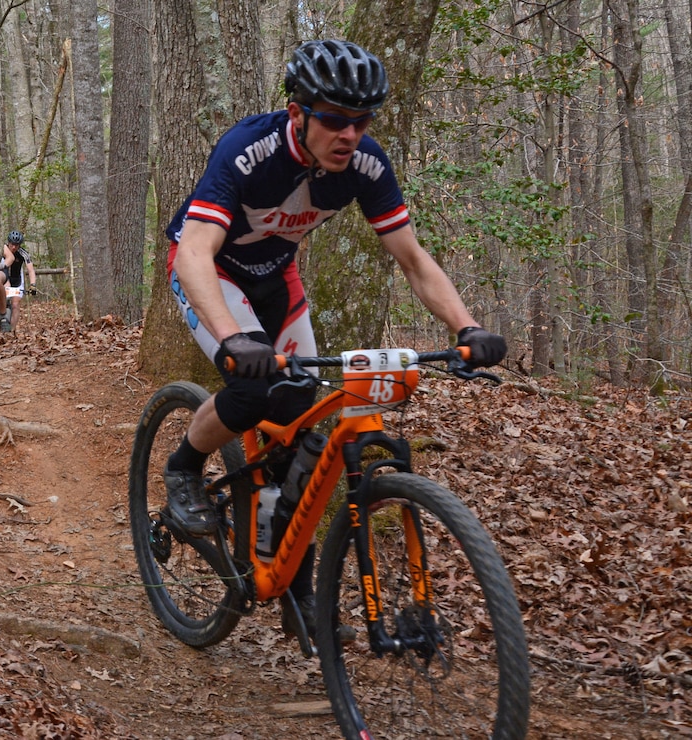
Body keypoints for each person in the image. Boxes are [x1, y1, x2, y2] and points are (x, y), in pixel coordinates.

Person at [163, 39, 508, 638]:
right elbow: (195, 251)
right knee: (251, 391)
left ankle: (294, 589)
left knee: (302, 420)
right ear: (298, 113)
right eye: (335, 119)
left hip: (278, 278)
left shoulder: (367, 165)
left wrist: (466, 326)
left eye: (361, 121)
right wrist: (229, 340)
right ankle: (184, 469)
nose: (349, 133)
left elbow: (413, 259)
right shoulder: (248, 149)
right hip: (212, 273)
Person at [0, 230, 37, 331]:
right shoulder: (1, 250)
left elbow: (31, 270)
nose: (14, 247)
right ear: (8, 242)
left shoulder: (23, 254)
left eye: (16, 245)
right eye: (12, 244)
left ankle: (12, 331)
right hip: (3, 278)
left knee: (15, 304)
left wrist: (33, 285)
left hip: (16, 280)